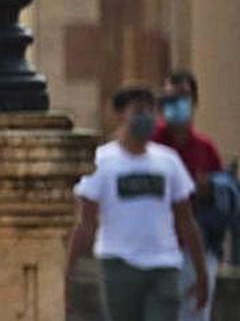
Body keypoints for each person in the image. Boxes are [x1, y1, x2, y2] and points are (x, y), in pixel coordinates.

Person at [66, 87, 209, 320]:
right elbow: (86, 223)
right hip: (119, 264)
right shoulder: (102, 162)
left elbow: (186, 220)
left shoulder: (168, 161)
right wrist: (67, 273)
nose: (147, 117)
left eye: (151, 111)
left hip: (163, 264)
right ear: (121, 114)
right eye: (139, 110)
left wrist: (201, 274)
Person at [149, 70, 225, 320]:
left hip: (193, 252)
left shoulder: (206, 149)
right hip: (156, 248)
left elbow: (221, 200)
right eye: (169, 99)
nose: (176, 105)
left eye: (182, 98)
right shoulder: (151, 144)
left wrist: (209, 190)